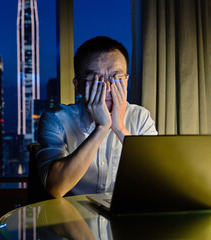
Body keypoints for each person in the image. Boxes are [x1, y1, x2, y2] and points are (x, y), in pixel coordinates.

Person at [36, 36, 158, 198]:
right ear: (78, 86)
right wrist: (102, 128)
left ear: (126, 82)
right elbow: (56, 187)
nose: (107, 87)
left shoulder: (140, 117)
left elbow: (158, 179)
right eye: (96, 80)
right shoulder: (56, 119)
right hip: (71, 215)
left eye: (115, 78)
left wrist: (120, 128)